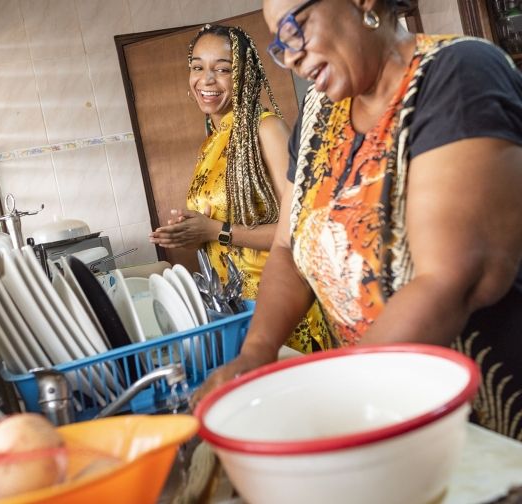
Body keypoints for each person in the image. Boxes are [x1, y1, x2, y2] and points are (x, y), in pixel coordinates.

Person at [194, 0, 522, 440]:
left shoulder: (458, 73)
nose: (290, 56)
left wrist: (338, 397)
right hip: (382, 403)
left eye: (297, 27)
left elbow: (450, 278)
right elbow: (289, 250)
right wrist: (255, 354)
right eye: (280, 43)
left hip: (483, 414)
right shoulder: (316, 112)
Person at [150, 24, 332, 353]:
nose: (207, 79)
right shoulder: (211, 144)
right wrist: (190, 229)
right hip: (238, 311)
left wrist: (215, 230)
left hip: (282, 308)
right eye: (198, 67)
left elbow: (298, 231)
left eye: (222, 69)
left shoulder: (267, 129)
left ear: (243, 75)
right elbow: (224, 223)